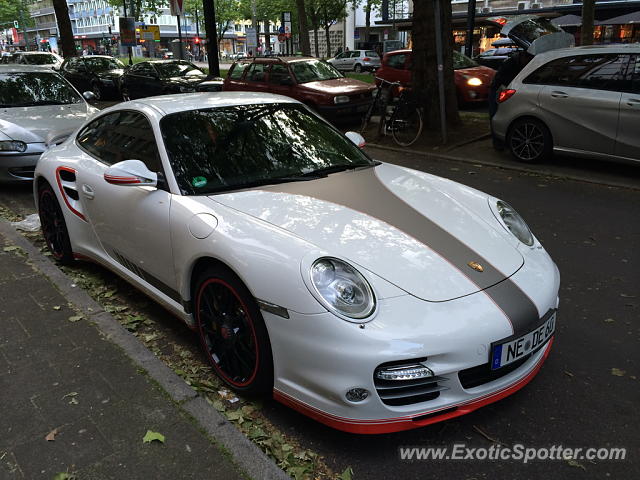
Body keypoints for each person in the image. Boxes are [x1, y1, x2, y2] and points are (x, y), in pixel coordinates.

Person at [489, 50, 533, 149]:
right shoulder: (510, 64)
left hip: (506, 92)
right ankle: (497, 142)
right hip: (498, 91)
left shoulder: (517, 63)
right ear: (523, 57)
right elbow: (501, 79)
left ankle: (502, 141)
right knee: (495, 114)